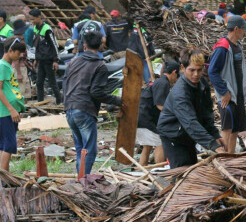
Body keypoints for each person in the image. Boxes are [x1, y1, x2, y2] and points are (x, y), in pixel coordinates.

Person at [63, 30, 124, 175]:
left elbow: (65, 85)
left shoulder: (73, 62)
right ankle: (84, 181)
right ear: (101, 46)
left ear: (84, 45)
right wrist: (118, 101)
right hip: (84, 109)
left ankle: (80, 180)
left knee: (80, 149)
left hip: (70, 108)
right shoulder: (99, 65)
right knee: (89, 149)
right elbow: (96, 93)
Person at [158, 49, 223, 167]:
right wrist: (213, 145)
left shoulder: (202, 83)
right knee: (181, 171)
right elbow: (190, 122)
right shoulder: (180, 93)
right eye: (192, 70)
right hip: (173, 135)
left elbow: (207, 113)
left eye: (199, 70)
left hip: (187, 134)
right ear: (182, 68)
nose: (196, 74)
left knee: (192, 167)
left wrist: (215, 135)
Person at [208, 15, 246, 154]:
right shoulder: (222, 47)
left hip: (238, 95)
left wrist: (244, 86)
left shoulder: (238, 46)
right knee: (227, 128)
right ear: (236, 29)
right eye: (243, 29)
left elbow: (238, 70)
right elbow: (212, 72)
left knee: (235, 129)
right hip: (228, 96)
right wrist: (224, 92)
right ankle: (223, 159)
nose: (245, 32)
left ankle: (231, 157)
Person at [136, 62, 179, 165]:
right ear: (174, 72)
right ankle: (159, 169)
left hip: (140, 118)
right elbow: (160, 105)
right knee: (162, 141)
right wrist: (174, 116)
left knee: (148, 146)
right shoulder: (163, 83)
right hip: (145, 119)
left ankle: (143, 170)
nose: (176, 79)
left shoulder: (159, 82)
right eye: (177, 76)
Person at [0, 38, 26, 172]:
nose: (20, 55)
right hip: (5, 112)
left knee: (4, 145)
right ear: (10, 50)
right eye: (18, 52)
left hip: (8, 111)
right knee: (9, 145)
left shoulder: (7, 66)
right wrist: (11, 110)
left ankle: (4, 177)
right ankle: (4, 179)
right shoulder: (2, 66)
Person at [28, 9, 62, 104]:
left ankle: (59, 102)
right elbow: (36, 45)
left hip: (49, 60)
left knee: (52, 82)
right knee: (39, 83)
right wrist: (36, 59)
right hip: (41, 60)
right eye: (31, 19)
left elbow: (54, 45)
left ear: (39, 17)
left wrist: (55, 60)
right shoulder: (36, 28)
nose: (32, 21)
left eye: (33, 19)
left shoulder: (47, 29)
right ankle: (40, 102)